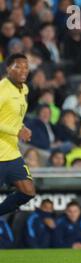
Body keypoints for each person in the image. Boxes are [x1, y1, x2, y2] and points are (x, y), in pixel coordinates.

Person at [0, 54, 36, 217]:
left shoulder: (24, 88)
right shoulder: (3, 89)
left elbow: (11, 116)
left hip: (12, 153)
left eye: (26, 67)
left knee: (28, 192)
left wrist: (22, 126)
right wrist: (16, 131)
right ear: (8, 68)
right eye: (18, 66)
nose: (23, 70)